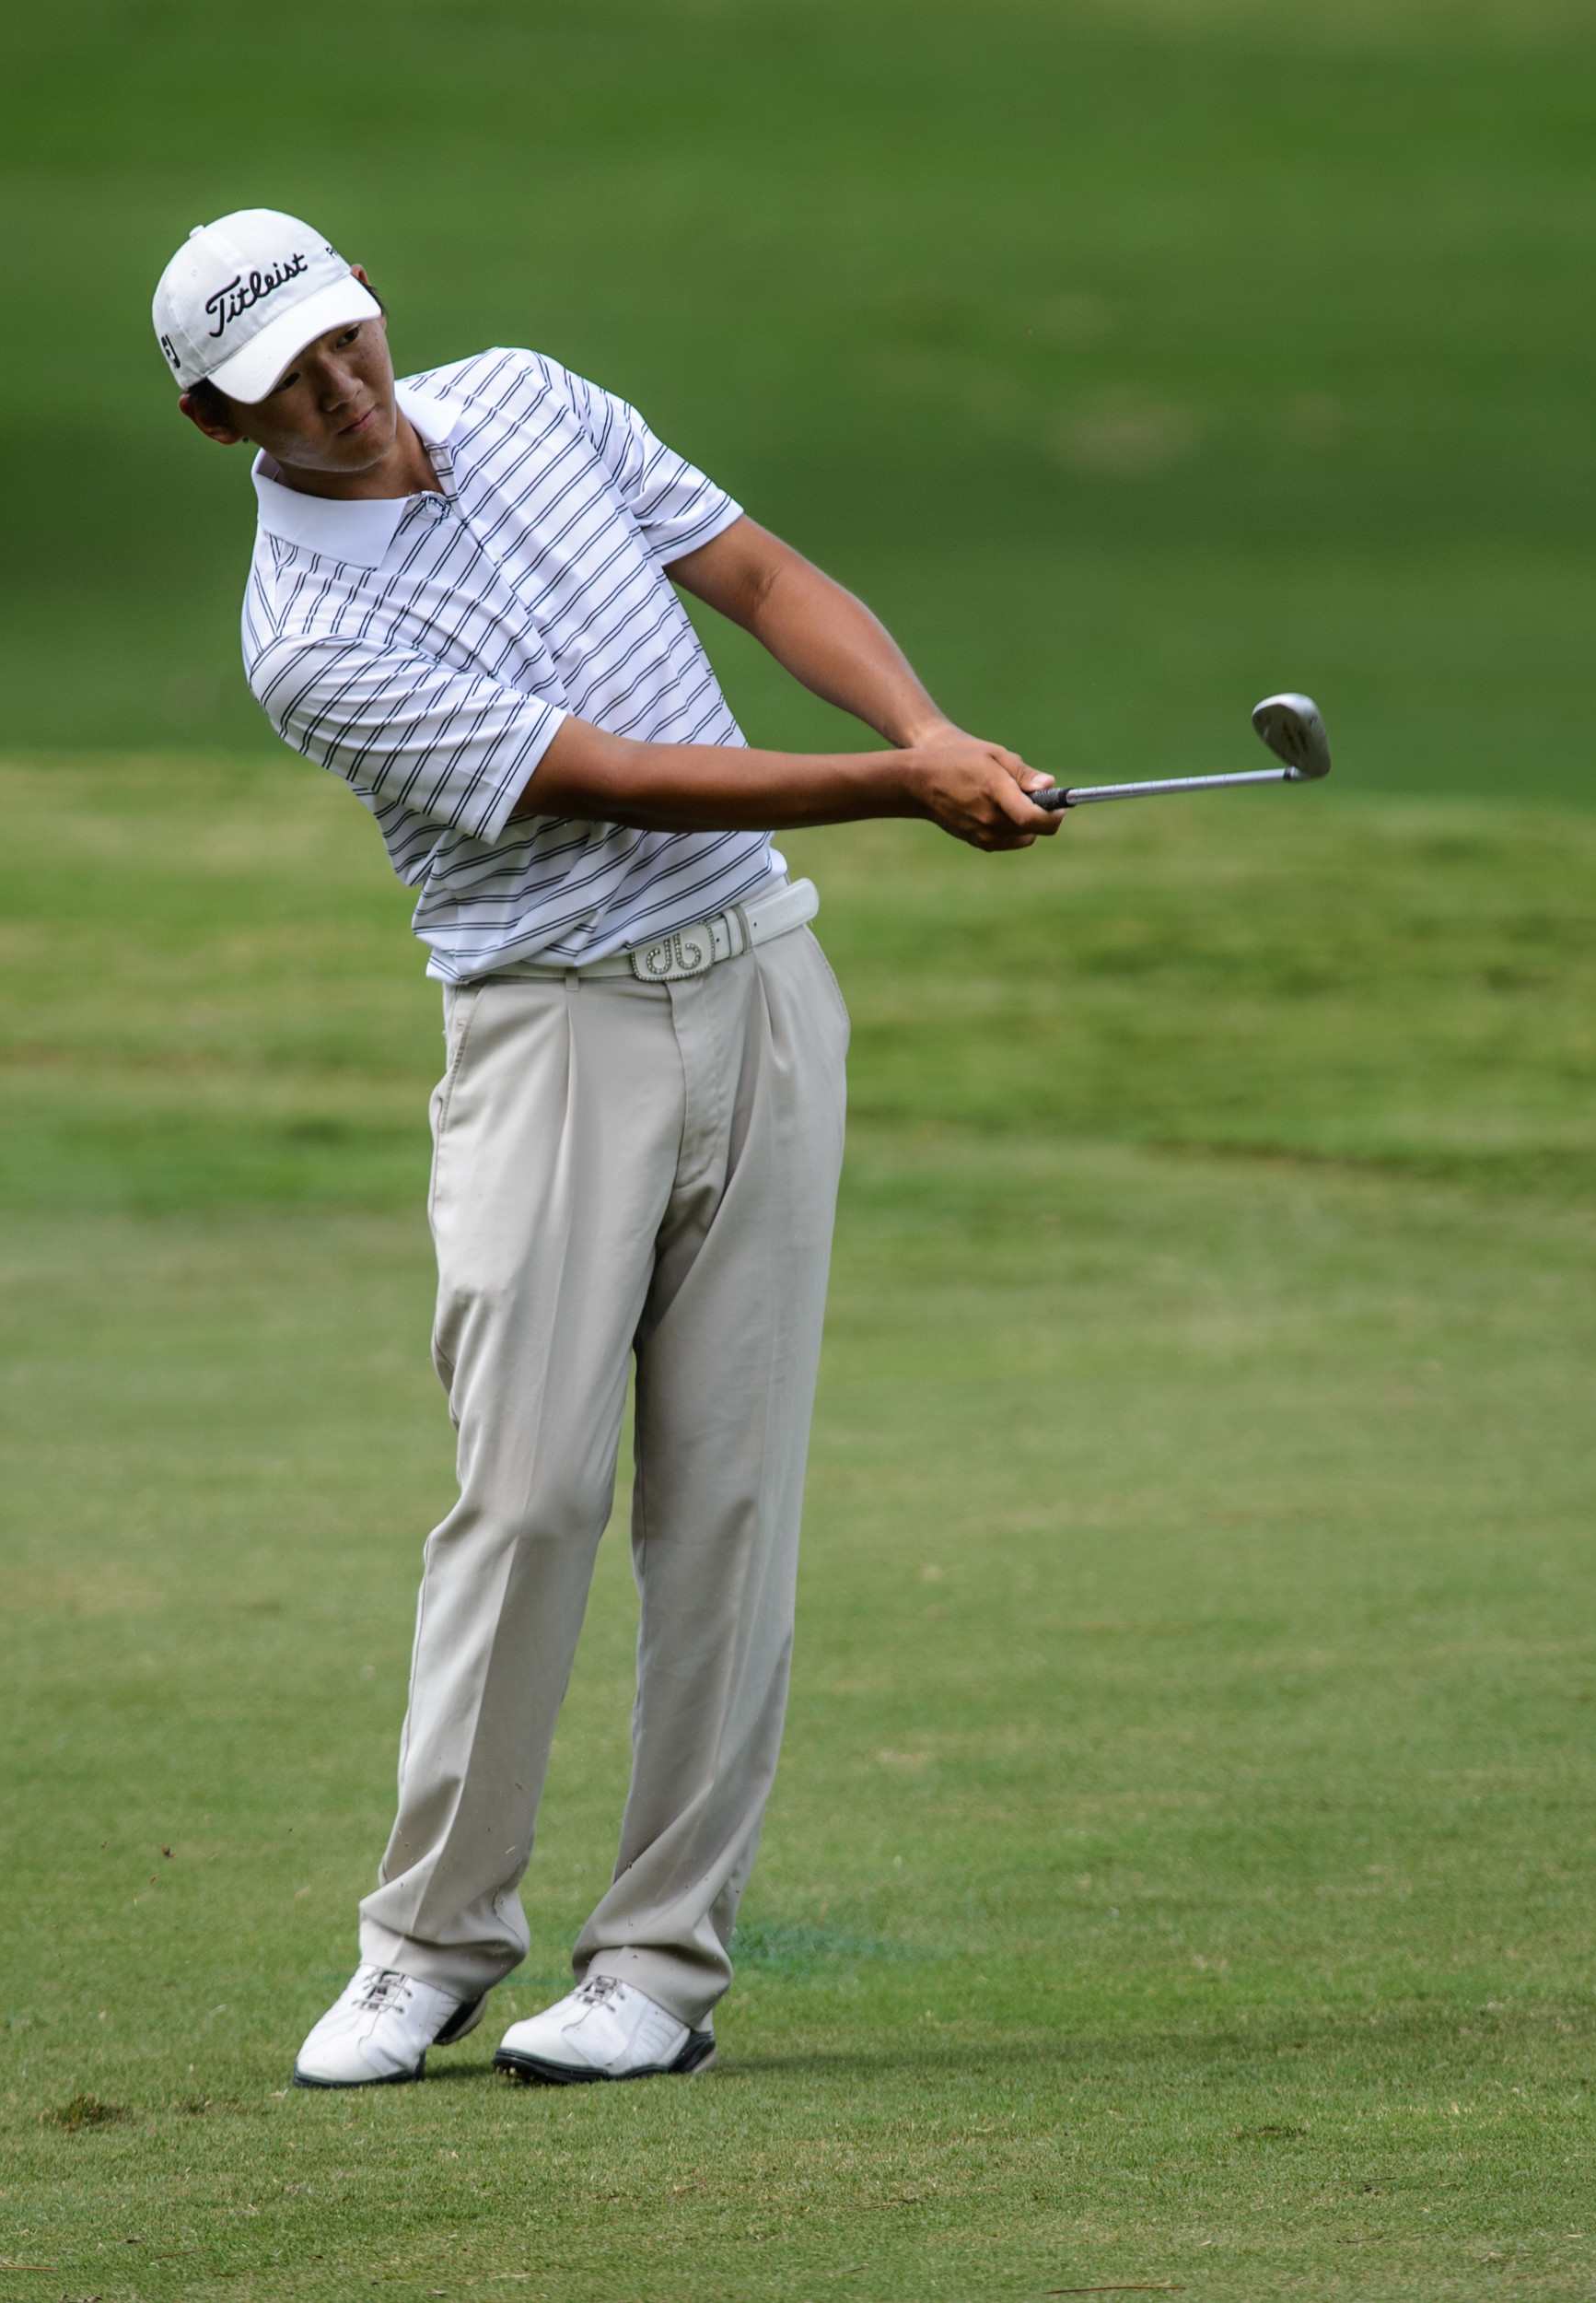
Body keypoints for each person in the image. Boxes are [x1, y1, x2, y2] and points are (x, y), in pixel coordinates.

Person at [152, 207, 1060, 2089]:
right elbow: (609, 772)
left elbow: (751, 568)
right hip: (549, 1034)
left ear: (372, 307)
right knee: (529, 1492)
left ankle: (656, 1966)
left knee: (727, 1504)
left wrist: (924, 718)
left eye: (345, 341)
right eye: (286, 387)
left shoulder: (536, 400)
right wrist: (901, 790)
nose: (342, 391)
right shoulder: (306, 637)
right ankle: (427, 1943)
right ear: (216, 424)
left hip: (765, 988)